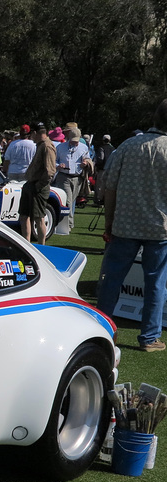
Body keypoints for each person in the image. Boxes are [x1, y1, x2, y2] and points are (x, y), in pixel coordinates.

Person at [96, 99, 167, 352]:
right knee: (156, 283)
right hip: (159, 228)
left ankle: (100, 330)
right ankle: (149, 337)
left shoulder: (127, 145)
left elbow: (110, 187)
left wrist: (109, 221)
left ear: (154, 118)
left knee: (111, 279)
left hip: (124, 225)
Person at [20, 125, 56, 245]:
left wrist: (38, 186)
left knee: (39, 218)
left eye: (31, 134)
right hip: (31, 184)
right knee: (24, 215)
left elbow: (50, 171)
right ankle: (26, 244)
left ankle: (41, 246)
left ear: (35, 133)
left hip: (38, 186)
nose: (30, 137)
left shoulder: (47, 146)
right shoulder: (40, 145)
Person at [53, 127, 93, 230]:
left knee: (73, 200)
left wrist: (85, 163)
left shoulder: (83, 148)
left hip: (77, 178)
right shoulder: (60, 147)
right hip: (63, 176)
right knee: (68, 201)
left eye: (76, 141)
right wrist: (58, 165)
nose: (75, 143)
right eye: (73, 140)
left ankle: (66, 223)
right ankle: (68, 225)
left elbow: (88, 159)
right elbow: (54, 160)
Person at [94, 134, 115, 204]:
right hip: (111, 169)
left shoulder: (101, 148)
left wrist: (97, 166)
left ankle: (99, 200)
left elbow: (101, 159)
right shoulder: (113, 149)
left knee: (100, 185)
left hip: (102, 169)